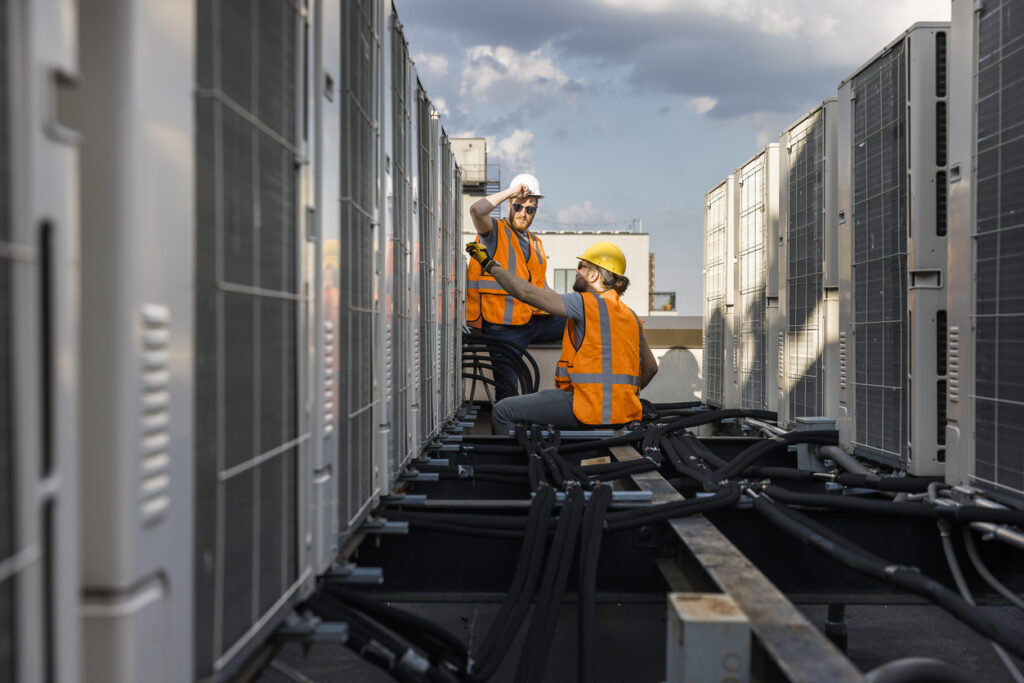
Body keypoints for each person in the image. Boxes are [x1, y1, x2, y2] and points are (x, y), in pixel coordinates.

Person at [466, 239, 658, 435]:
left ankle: (523, 464)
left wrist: (490, 265)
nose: (577, 271)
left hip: (585, 408)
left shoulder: (584, 303)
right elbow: (651, 368)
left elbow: (525, 293)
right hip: (622, 413)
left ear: (593, 275)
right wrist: (618, 398)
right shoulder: (633, 317)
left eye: (580, 266)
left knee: (502, 411)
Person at [465, 173, 566, 401]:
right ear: (509, 205)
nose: (523, 213)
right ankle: (508, 434)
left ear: (536, 211)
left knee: (583, 319)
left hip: (534, 321)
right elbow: (476, 210)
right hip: (503, 328)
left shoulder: (535, 243)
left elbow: (544, 288)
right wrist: (512, 192)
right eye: (518, 207)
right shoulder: (494, 231)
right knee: (507, 395)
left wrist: (574, 305)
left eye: (530, 209)